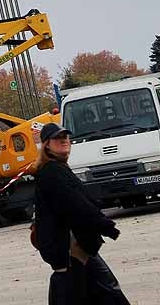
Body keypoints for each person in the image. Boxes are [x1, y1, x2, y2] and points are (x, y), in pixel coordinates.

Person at [32, 123, 129, 304]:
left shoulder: (57, 168)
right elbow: (76, 205)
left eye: (66, 137)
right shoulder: (52, 172)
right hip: (70, 247)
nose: (64, 141)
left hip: (77, 246)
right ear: (46, 145)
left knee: (98, 290)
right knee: (104, 290)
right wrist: (106, 226)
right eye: (57, 138)